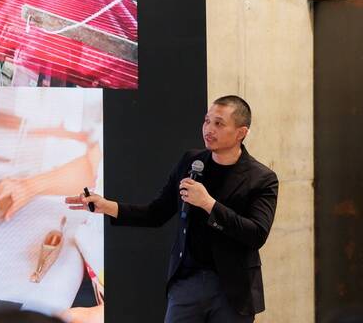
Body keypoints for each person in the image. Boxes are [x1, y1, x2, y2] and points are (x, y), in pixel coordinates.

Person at [66, 95, 280, 323]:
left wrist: (208, 204)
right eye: (207, 121)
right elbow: (156, 213)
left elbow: (256, 234)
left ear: (241, 133)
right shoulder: (192, 162)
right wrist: (106, 206)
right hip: (187, 283)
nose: (209, 129)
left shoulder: (261, 178)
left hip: (232, 289)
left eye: (219, 123)